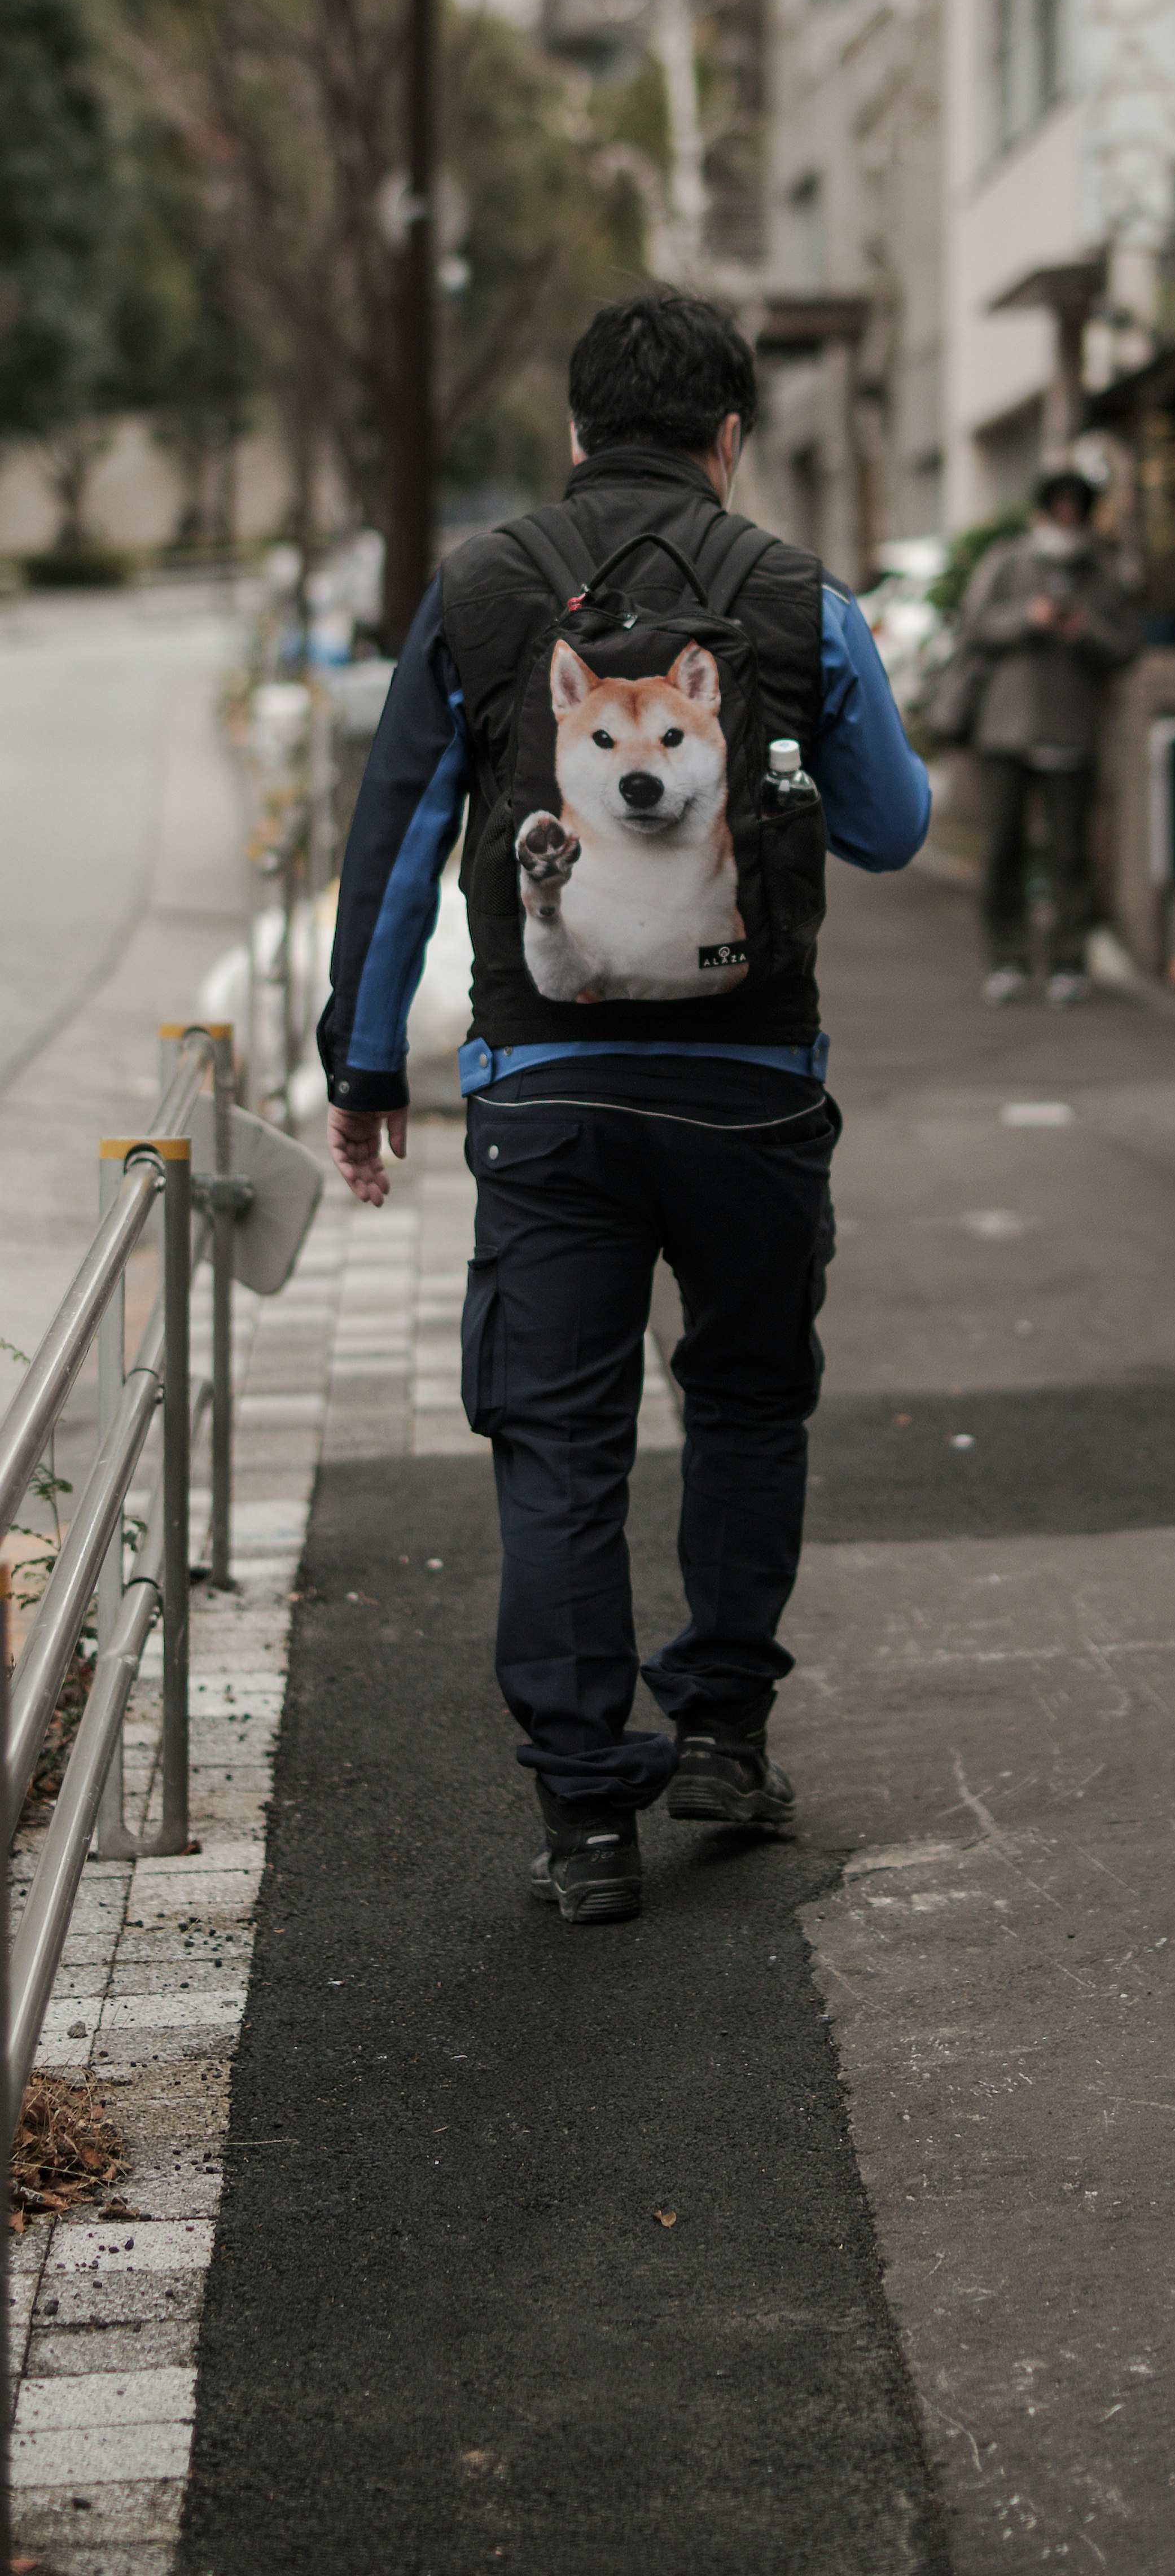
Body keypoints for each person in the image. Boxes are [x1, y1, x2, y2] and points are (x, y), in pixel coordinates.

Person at [318, 293, 930, 1924]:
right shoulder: (807, 600)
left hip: (546, 1098)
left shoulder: (480, 590)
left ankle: (588, 1817)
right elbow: (893, 829)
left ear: (576, 433)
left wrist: (364, 1067)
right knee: (742, 1402)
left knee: (559, 1433)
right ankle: (723, 1733)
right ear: (732, 436)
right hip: (754, 1094)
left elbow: (392, 843)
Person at [959, 467, 1139, 1006]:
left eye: (1075, 512)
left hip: (1073, 729)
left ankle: (1069, 961)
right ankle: (1007, 959)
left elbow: (1127, 647)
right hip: (1006, 729)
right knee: (1004, 848)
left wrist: (1084, 631)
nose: (1065, 522)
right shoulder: (1007, 564)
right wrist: (1028, 619)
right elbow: (974, 629)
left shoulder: (1103, 575)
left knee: (1071, 852)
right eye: (1057, 511)